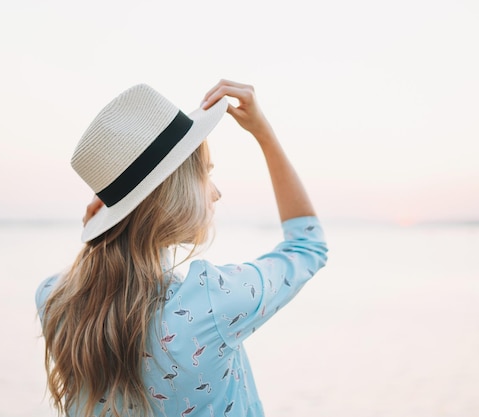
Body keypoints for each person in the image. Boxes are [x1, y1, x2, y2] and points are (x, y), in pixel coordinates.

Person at [36, 80, 328, 417]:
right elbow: (308, 244)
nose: (216, 192)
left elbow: (104, 268)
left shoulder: (53, 301)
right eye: (205, 174)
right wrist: (264, 135)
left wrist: (99, 233)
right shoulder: (211, 301)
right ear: (174, 194)